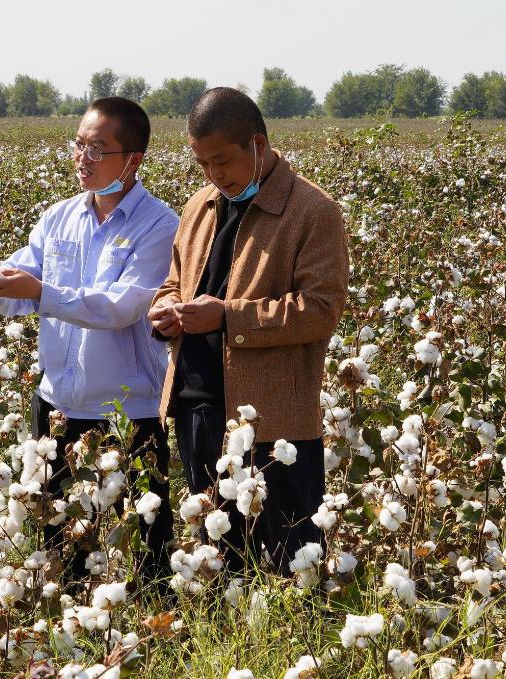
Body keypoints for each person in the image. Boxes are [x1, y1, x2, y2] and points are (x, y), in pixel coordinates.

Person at [0, 97, 179, 586]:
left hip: (129, 412)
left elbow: (122, 306)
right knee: (61, 544)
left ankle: (153, 639)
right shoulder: (59, 218)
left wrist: (39, 291)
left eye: (97, 148)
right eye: (79, 143)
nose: (82, 157)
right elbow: (24, 289)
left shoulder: (160, 226)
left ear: (132, 160)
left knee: (145, 539)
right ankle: (69, 641)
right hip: (58, 405)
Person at [148, 87, 349, 576]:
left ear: (258, 145)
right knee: (214, 554)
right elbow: (175, 280)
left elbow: (321, 309)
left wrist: (229, 318)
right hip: (197, 406)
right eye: (203, 164)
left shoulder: (312, 211)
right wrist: (166, 309)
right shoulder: (200, 207)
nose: (215, 175)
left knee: (283, 559)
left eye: (222, 161)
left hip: (271, 421)